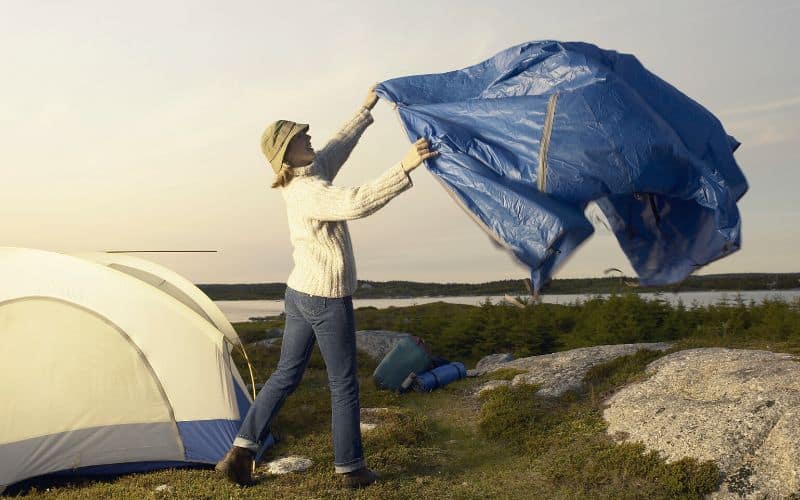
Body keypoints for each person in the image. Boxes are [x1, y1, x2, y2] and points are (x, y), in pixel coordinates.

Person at [215, 85, 438, 489]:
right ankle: (351, 469)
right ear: (288, 152)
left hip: (300, 292)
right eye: (302, 137)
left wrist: (365, 108)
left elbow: (338, 144)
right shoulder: (308, 190)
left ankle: (241, 451)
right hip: (324, 297)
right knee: (343, 382)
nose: (310, 137)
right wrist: (403, 167)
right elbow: (356, 201)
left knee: (285, 374)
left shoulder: (306, 174)